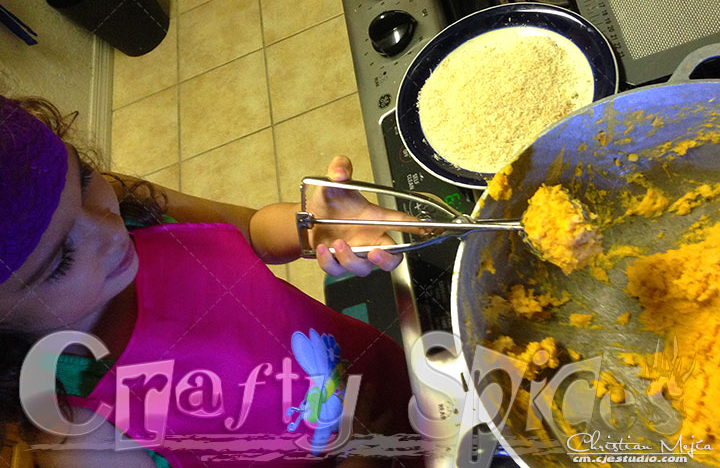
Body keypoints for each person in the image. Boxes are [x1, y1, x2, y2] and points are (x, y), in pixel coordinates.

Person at [0, 96, 422, 467]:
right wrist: (364, 457)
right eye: (61, 259)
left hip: (389, 371)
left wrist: (312, 229)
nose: (111, 231)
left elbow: (253, 229)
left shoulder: (130, 206)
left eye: (85, 178)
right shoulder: (79, 436)